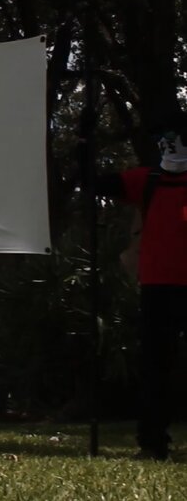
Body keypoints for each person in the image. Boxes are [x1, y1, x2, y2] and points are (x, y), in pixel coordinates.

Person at [95, 120, 187, 461]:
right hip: (158, 287)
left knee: (156, 367)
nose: (171, 144)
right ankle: (152, 443)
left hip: (167, 285)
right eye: (165, 139)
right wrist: (84, 142)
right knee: (154, 368)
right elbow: (97, 183)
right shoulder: (147, 180)